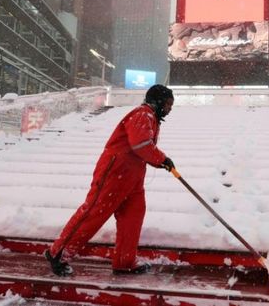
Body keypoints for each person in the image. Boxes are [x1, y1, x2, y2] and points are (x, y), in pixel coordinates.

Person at [45, 84, 176, 276]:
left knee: (133, 217)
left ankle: (125, 262)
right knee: (94, 212)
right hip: (115, 172)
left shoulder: (152, 118)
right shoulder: (142, 113)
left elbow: (143, 148)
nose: (170, 108)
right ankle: (58, 252)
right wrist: (162, 159)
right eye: (168, 104)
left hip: (133, 178)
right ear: (157, 101)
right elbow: (141, 144)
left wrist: (161, 161)